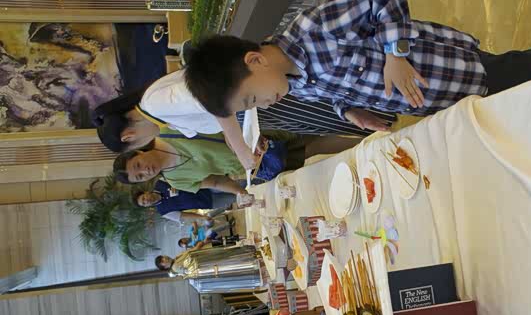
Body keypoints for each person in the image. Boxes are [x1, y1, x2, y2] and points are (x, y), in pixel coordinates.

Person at [184, 0, 531, 134]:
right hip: (428, 98)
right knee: (522, 96)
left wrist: (395, 55)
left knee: (527, 69)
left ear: (254, 62)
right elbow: (334, 93)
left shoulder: (314, 30)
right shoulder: (292, 81)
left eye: (252, 100)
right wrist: (349, 111)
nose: (264, 105)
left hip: (448, 68)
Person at [94, 70, 395, 155]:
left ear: (129, 136)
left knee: (340, 110)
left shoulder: (154, 105)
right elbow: (216, 115)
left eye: (138, 145)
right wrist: (241, 138)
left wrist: (239, 147)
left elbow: (213, 97)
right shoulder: (156, 111)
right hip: (261, 108)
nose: (146, 143)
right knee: (339, 117)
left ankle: (398, 102)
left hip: (265, 100)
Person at [112, 128, 248, 195]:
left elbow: (209, 118)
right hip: (248, 166)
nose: (145, 171)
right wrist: (241, 193)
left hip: (247, 136)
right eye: (140, 176)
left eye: (138, 165)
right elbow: (216, 182)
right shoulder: (176, 181)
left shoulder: (166, 131)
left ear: (138, 152)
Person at [133, 180, 234, 223]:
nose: (146, 201)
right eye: (144, 203)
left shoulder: (159, 183)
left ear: (146, 192)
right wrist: (202, 217)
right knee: (235, 198)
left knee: (238, 185)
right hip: (207, 201)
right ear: (146, 206)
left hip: (207, 185)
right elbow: (183, 216)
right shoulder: (163, 211)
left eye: (143, 198)